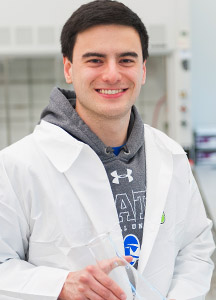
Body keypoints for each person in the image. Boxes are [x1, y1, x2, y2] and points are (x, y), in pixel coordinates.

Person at [0, 0, 215, 299]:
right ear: (69, 68)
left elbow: (195, 247)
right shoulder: (17, 166)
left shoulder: (170, 156)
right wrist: (59, 286)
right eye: (95, 60)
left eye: (126, 60)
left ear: (142, 70)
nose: (112, 74)